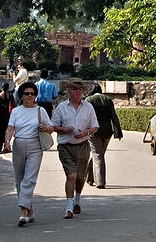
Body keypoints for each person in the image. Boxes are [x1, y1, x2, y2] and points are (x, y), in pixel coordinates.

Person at [3, 81, 54, 226]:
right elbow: (10, 128)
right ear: (22, 95)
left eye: (32, 94)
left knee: (29, 179)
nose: (30, 96)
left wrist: (44, 127)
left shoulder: (40, 111)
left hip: (35, 146)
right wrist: (7, 141)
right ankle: (30, 210)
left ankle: (23, 213)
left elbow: (51, 128)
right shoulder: (16, 111)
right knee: (19, 180)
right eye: (27, 94)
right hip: (19, 144)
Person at [51, 78, 98, 219]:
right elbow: (53, 126)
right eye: (75, 89)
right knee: (71, 175)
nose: (78, 92)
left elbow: (95, 126)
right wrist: (64, 130)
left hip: (83, 146)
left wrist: (86, 133)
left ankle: (77, 200)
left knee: (80, 177)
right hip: (65, 146)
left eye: (80, 89)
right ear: (69, 91)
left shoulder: (88, 107)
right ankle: (69, 207)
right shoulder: (61, 107)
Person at [85, 83, 123, 188]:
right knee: (99, 155)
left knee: (97, 155)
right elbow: (114, 116)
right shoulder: (107, 99)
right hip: (107, 132)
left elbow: (85, 117)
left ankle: (100, 182)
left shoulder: (89, 100)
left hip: (94, 132)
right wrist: (118, 132)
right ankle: (90, 178)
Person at [0, 82, 14, 153]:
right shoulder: (10, 95)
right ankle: (6, 147)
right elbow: (13, 104)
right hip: (7, 116)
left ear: (1, 87)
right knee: (6, 132)